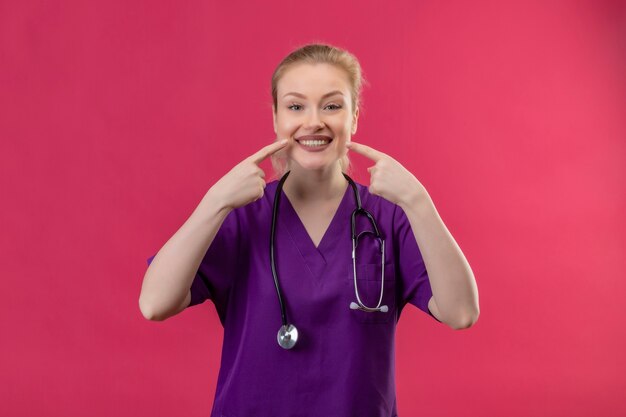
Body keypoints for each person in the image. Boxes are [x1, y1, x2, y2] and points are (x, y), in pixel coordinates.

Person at [139, 43, 479, 417]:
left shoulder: (388, 218)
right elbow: (155, 303)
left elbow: (461, 312)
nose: (313, 121)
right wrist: (214, 202)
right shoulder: (241, 217)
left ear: (354, 118)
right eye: (296, 106)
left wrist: (419, 201)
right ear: (276, 118)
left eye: (332, 106)